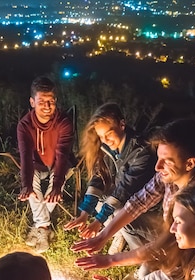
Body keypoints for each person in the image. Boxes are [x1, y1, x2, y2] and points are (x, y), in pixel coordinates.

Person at [72, 118, 195, 275]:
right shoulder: (168, 177)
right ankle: (148, 263)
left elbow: (165, 243)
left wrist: (111, 260)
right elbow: (137, 203)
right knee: (123, 213)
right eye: (158, 158)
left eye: (167, 161)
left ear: (189, 164)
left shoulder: (194, 198)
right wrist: (103, 236)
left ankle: (159, 271)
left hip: (188, 256)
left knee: (145, 276)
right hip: (169, 236)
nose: (158, 167)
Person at [64, 102, 157, 251]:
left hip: (148, 210)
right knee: (102, 198)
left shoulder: (141, 151)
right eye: (101, 136)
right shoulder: (107, 149)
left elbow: (124, 190)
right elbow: (99, 178)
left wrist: (99, 221)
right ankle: (120, 234)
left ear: (122, 124)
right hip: (127, 200)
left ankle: (144, 256)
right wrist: (84, 214)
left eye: (108, 133)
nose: (105, 140)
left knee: (122, 212)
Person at [17, 76, 75, 253]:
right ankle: (44, 227)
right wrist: (26, 185)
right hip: (36, 165)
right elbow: (25, 157)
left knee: (57, 182)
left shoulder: (63, 123)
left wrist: (57, 185)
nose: (47, 106)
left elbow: (62, 155)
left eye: (51, 101)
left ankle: (41, 228)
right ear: (32, 102)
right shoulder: (24, 125)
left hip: (59, 163)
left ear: (55, 101)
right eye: (42, 101)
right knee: (31, 182)